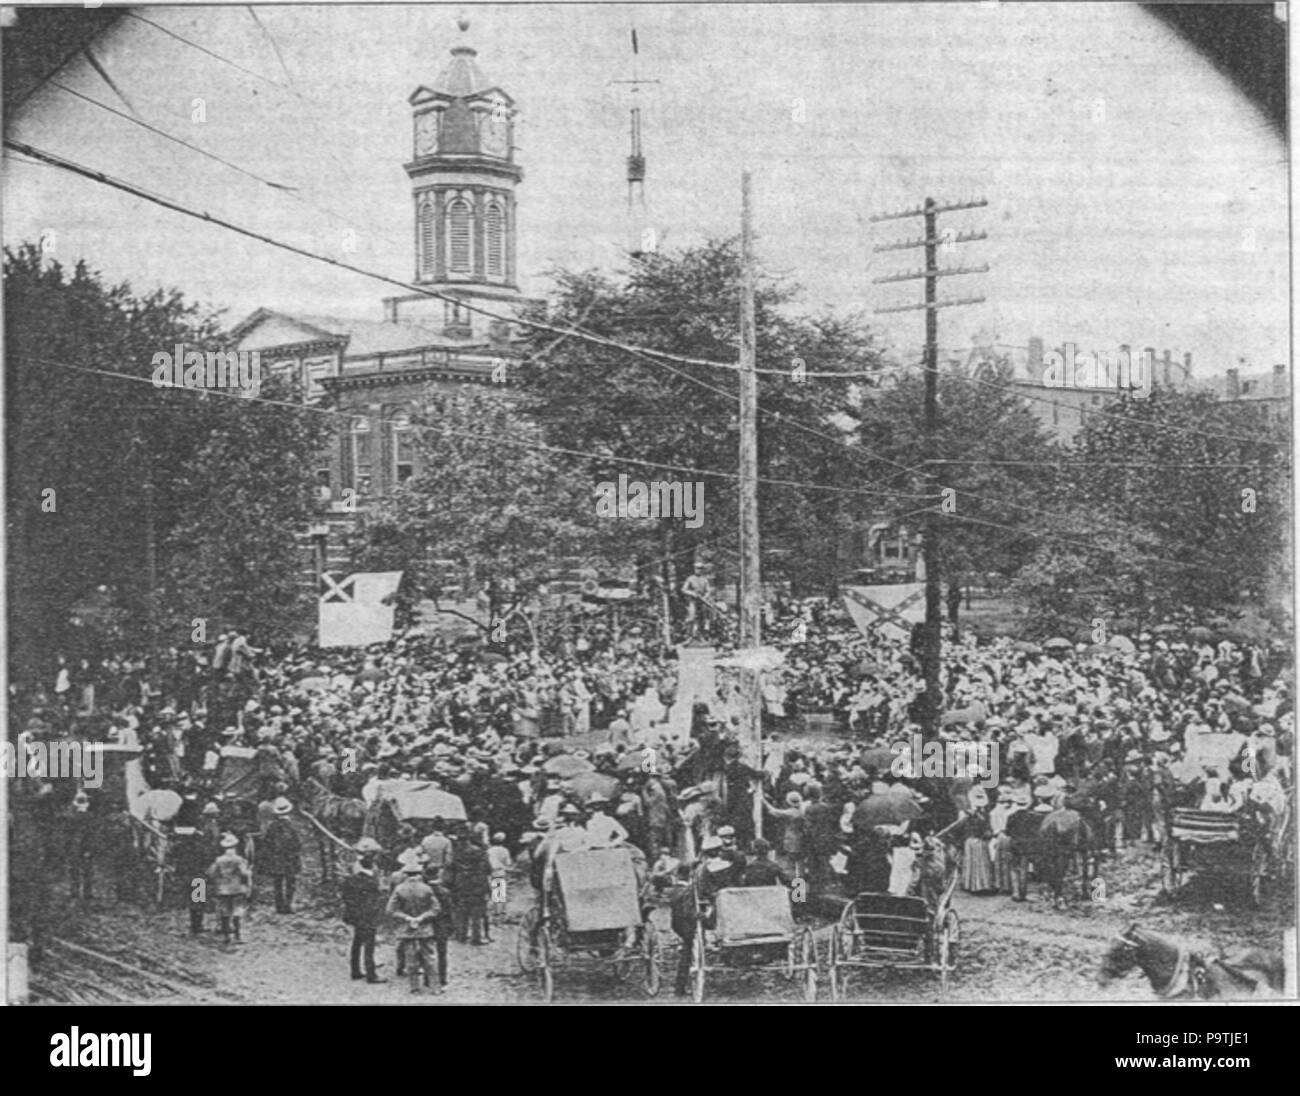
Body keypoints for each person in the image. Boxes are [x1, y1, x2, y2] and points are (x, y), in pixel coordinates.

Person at [387, 861, 440, 994]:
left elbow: (390, 910)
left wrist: (407, 918)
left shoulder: (399, 889)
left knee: (411, 958)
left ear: (405, 874)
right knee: (430, 958)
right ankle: (435, 988)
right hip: (424, 927)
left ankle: (414, 988)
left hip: (407, 928)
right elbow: (436, 908)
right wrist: (422, 917)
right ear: (419, 874)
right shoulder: (426, 888)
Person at [340, 838, 387, 983]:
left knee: (357, 942)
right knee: (369, 944)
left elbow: (346, 896)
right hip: (368, 914)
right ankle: (371, 974)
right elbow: (377, 895)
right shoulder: (370, 881)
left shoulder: (351, 878)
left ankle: (355, 971)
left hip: (356, 915)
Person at [207, 833, 253, 946]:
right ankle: (237, 935)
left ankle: (226, 936)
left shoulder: (219, 860)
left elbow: (211, 873)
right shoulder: (239, 859)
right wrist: (249, 872)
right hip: (237, 888)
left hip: (223, 888)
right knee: (237, 911)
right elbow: (244, 873)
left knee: (225, 911)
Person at [260, 797, 302, 914]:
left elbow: (267, 842)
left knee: (278, 883)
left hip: (276, 859)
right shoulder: (291, 826)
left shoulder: (272, 827)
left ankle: (279, 906)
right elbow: (297, 843)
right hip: (290, 859)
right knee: (290, 883)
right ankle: (288, 905)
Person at [64, 790, 97, 905]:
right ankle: (77, 895)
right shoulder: (72, 817)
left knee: (84, 871)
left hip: (83, 846)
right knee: (78, 871)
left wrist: (89, 848)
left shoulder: (86, 817)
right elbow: (68, 833)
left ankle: (85, 895)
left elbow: (91, 834)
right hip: (76, 846)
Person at [487, 832, 512, 925]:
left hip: (490, 873)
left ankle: (493, 915)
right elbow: (508, 863)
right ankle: (498, 916)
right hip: (500, 872)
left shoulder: (489, 850)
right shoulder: (505, 851)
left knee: (492, 895)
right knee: (499, 896)